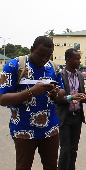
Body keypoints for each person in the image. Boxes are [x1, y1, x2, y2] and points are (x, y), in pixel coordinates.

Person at [0, 36, 66, 170]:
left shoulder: (53, 68)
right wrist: (31, 92)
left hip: (50, 130)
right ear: (32, 49)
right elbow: (2, 98)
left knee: (52, 166)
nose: (44, 59)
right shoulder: (14, 66)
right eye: (41, 55)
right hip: (23, 130)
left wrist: (56, 93)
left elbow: (62, 92)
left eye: (48, 56)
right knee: (24, 166)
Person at [55, 48, 86, 170]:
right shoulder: (59, 75)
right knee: (64, 150)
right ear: (68, 59)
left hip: (77, 116)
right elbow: (56, 98)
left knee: (73, 149)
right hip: (65, 117)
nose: (79, 61)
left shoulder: (80, 75)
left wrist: (84, 98)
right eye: (76, 59)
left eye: (79, 59)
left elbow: (82, 93)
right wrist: (71, 97)